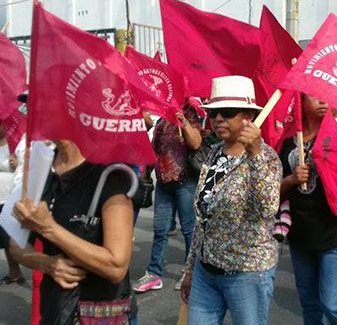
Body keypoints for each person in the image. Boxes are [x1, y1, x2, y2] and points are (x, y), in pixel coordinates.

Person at [180, 76, 282, 325]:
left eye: (226, 113)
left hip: (247, 274)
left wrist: (255, 153)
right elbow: (203, 218)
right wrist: (190, 269)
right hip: (207, 271)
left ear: (248, 116)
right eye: (213, 113)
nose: (217, 120)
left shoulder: (266, 157)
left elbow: (268, 208)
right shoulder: (214, 153)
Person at [10, 140, 139, 323]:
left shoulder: (110, 174)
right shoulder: (40, 167)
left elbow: (116, 266)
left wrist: (48, 228)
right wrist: (47, 263)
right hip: (55, 311)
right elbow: (16, 244)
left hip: (101, 315)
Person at [281, 94, 337, 325]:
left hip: (334, 231)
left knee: (333, 303)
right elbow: (274, 186)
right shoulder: (288, 141)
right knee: (309, 303)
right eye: (315, 96)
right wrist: (293, 179)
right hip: (300, 234)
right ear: (301, 101)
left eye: (327, 96)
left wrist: (328, 168)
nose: (324, 100)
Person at [134, 103, 202, 293]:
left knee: (189, 230)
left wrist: (183, 120)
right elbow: (153, 150)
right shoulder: (162, 120)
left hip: (185, 182)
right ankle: (154, 273)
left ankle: (190, 273)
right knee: (160, 230)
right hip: (164, 183)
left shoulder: (191, 114)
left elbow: (196, 143)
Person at [0, 123, 24, 286]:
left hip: (10, 195)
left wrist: (15, 164)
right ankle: (13, 272)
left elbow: (23, 167)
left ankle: (17, 270)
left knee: (9, 237)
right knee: (3, 238)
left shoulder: (15, 142)